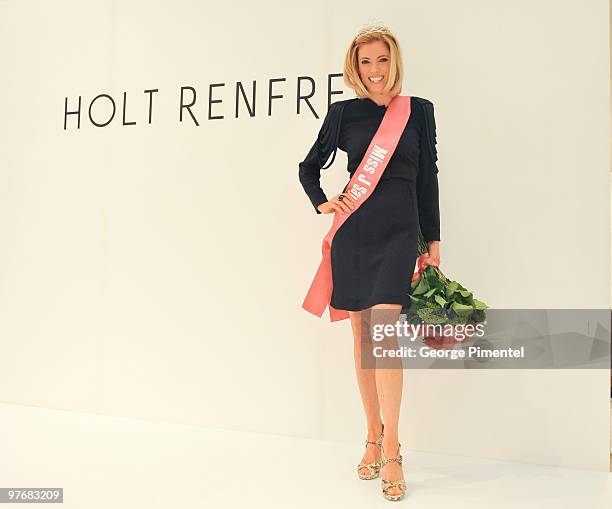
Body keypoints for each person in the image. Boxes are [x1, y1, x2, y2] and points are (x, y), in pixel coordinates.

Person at [298, 24, 441, 501]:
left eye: (381, 60)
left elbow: (427, 180)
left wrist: (433, 240)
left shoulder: (418, 112)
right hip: (355, 233)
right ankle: (372, 437)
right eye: (365, 63)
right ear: (354, 68)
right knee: (363, 336)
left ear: (393, 61)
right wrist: (322, 200)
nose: (375, 71)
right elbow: (308, 166)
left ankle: (394, 447)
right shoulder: (343, 114)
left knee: (384, 336)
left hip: (400, 232)